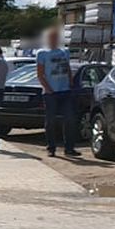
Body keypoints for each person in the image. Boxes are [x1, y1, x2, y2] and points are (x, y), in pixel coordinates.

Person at [36, 26, 79, 157]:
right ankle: (51, 147)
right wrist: (48, 88)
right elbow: (40, 73)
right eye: (51, 37)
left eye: (56, 37)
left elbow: (67, 67)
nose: (54, 39)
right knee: (51, 121)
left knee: (69, 119)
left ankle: (69, 148)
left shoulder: (64, 51)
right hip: (51, 93)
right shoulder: (42, 53)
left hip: (65, 90)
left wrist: (71, 81)